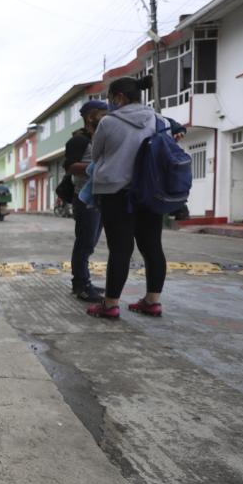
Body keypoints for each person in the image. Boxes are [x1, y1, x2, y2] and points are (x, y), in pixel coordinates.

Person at [87, 75, 167, 319]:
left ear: (119, 97)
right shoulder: (158, 119)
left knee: (120, 249)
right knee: (152, 246)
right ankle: (152, 302)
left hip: (116, 193)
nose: (109, 103)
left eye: (110, 98)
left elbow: (96, 155)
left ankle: (110, 305)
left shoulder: (108, 123)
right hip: (150, 193)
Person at [64, 100, 107, 302]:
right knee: (85, 243)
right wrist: (97, 168)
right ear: (90, 117)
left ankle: (83, 281)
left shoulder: (101, 137)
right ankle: (81, 284)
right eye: (102, 113)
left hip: (100, 198)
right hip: (84, 198)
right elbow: (70, 166)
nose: (107, 116)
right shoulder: (79, 140)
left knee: (90, 244)